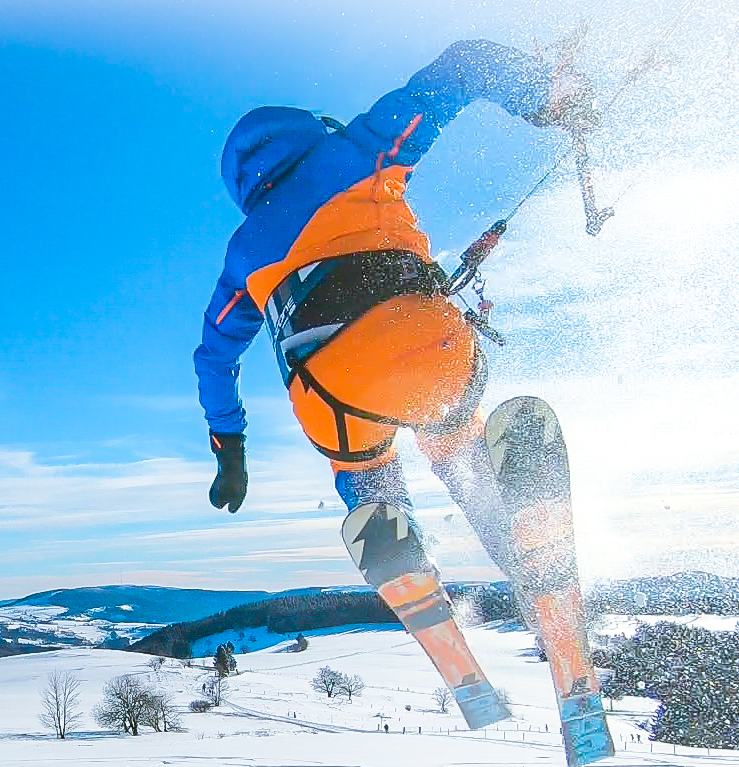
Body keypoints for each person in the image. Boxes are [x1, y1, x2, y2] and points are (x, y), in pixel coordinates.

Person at [194, 40, 595, 592]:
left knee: (363, 468)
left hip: (335, 398)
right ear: (309, 131)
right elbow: (460, 69)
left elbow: (214, 360)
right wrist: (548, 95)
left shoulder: (241, 256)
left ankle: (400, 556)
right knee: (457, 446)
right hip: (431, 348)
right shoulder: (357, 152)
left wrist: (230, 452)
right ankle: (530, 565)